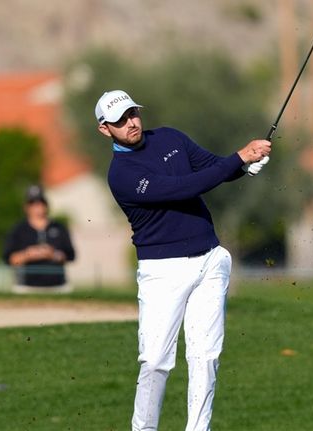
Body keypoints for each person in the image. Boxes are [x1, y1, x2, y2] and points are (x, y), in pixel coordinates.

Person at [95, 89, 272, 431]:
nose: (131, 123)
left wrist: (246, 164)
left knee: (206, 357)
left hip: (209, 261)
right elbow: (181, 188)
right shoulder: (121, 174)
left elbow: (213, 167)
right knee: (156, 361)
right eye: (120, 120)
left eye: (132, 113)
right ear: (105, 129)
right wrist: (239, 158)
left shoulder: (170, 138)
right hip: (163, 272)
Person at [2, 184, 76, 294]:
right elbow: (9, 259)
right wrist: (28, 254)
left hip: (57, 286)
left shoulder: (59, 228)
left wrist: (53, 254)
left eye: (40, 203)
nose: (37, 207)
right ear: (26, 207)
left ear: (46, 205)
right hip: (26, 287)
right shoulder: (18, 230)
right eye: (33, 204)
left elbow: (70, 256)